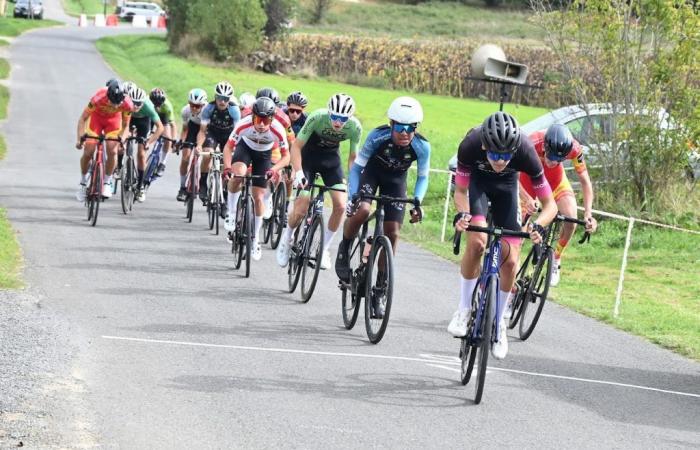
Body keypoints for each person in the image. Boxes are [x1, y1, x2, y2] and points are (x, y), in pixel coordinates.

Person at [447, 111, 557, 360]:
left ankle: (499, 323)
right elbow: (461, 190)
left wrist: (538, 225)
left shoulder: (526, 151)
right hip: (478, 186)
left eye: (506, 155)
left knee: (511, 260)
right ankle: (464, 310)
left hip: (507, 189)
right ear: (485, 145)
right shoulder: (471, 144)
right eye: (495, 154)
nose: (500, 160)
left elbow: (550, 205)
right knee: (477, 242)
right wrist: (463, 214)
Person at [335, 97, 430, 291]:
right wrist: (354, 194)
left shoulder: (422, 146)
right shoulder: (377, 137)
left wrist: (417, 202)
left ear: (416, 128)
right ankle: (344, 248)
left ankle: (380, 286)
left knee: (393, 232)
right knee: (362, 211)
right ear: (391, 124)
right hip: (371, 175)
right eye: (399, 128)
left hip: (396, 182)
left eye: (410, 128)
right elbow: (356, 169)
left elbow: (422, 178)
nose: (405, 133)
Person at [276, 93, 362, 270]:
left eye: (343, 119)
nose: (338, 122)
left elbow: (353, 159)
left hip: (331, 162)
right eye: (335, 117)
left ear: (350, 117)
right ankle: (287, 238)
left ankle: (324, 249)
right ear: (329, 113)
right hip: (308, 159)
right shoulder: (317, 117)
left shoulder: (354, 127)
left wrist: (354, 185)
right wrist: (298, 172)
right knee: (302, 206)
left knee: (340, 205)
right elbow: (297, 147)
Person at [519, 124, 598, 286]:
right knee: (517, 234)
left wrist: (589, 214)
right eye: (550, 156)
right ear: (545, 147)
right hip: (528, 181)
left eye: (558, 160)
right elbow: (512, 173)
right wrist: (526, 198)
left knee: (571, 217)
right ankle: (512, 284)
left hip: (555, 182)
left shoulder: (574, 149)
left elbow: (585, 181)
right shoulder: (532, 142)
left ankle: (556, 257)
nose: (552, 162)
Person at [223, 97, 290, 261]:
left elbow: (286, 156)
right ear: (252, 116)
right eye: (258, 119)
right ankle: (231, 213)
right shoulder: (243, 124)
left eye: (265, 120)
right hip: (245, 148)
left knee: (259, 197)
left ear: (272, 119)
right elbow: (228, 147)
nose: (261, 124)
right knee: (238, 174)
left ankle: (255, 240)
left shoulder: (277, 130)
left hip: (264, 155)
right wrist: (227, 167)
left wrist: (274, 169)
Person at [75, 80, 133, 201]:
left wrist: (122, 138)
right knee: (88, 151)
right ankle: (83, 182)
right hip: (96, 119)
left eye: (118, 103)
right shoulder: (98, 97)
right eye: (112, 102)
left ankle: (106, 182)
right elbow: (82, 119)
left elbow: (126, 125)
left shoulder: (127, 104)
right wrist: (80, 139)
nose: (115, 106)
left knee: (112, 150)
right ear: (108, 96)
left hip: (113, 122)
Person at [196, 81, 240, 202]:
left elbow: (238, 132)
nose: (222, 101)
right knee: (207, 153)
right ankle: (203, 182)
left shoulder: (234, 110)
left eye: (226, 99)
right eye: (220, 98)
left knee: (226, 162)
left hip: (229, 135)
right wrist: (199, 145)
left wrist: (236, 148)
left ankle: (224, 190)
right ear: (215, 97)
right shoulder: (208, 108)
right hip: (213, 133)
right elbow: (202, 131)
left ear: (229, 99)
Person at [127, 86, 165, 202]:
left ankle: (140, 186)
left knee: (141, 153)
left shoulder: (148, 106)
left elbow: (160, 128)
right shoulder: (125, 104)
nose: (136, 106)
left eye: (139, 103)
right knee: (120, 145)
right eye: (134, 103)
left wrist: (149, 142)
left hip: (143, 121)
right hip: (128, 119)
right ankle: (119, 166)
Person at [176, 88, 208, 202]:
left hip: (205, 130)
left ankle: (203, 183)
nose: (194, 108)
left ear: (203, 105)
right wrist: (182, 141)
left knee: (207, 156)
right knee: (185, 158)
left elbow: (203, 132)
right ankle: (182, 187)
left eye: (197, 106)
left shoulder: (207, 111)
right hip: (192, 129)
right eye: (192, 105)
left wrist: (200, 145)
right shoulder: (185, 111)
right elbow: (185, 130)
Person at [149, 88, 177, 176]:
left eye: (159, 104)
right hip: (150, 115)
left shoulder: (167, 107)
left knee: (167, 138)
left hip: (163, 117)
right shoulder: (148, 103)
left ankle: (162, 163)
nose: (157, 107)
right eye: (155, 104)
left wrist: (173, 139)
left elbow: (173, 125)